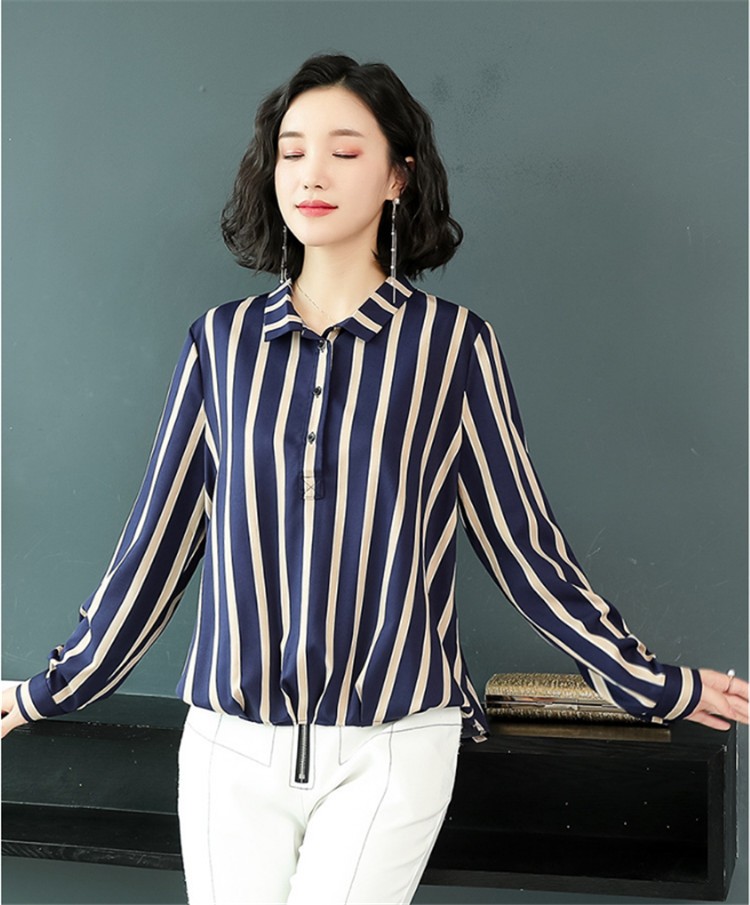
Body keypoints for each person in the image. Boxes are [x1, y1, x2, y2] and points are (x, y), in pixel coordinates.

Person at [2, 53, 748, 905]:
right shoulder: (221, 344)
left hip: (393, 745)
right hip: (227, 747)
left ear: (399, 176)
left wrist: (650, 684)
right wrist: (55, 687)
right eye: (292, 151)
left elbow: (524, 548)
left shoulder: (452, 346)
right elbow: (159, 542)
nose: (311, 172)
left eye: (345, 151)